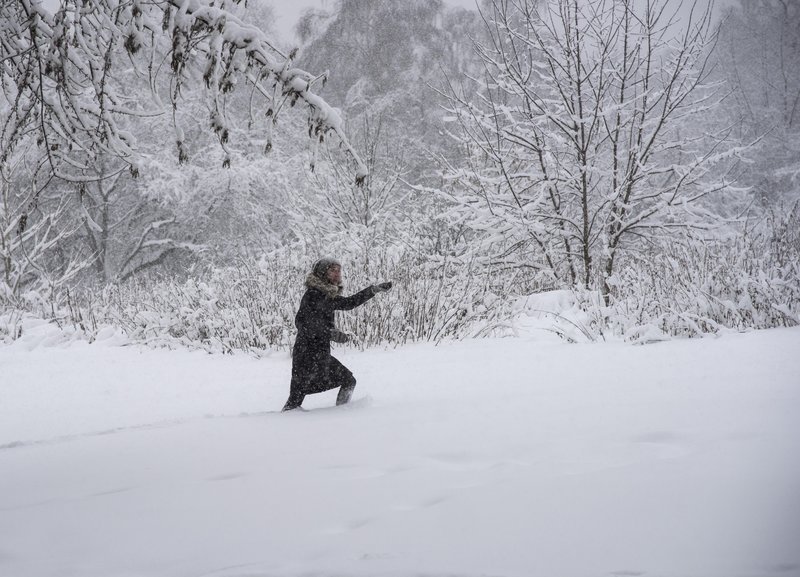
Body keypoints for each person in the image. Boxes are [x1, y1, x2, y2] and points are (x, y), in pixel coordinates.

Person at [283, 257, 392, 411]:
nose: (337, 274)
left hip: (318, 354)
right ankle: (340, 414)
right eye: (332, 270)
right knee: (299, 397)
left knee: (297, 398)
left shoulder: (327, 295)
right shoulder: (313, 295)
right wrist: (330, 333)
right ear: (322, 273)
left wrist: (372, 290)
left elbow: (349, 303)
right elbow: (302, 323)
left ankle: (338, 414)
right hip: (307, 354)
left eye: (339, 270)